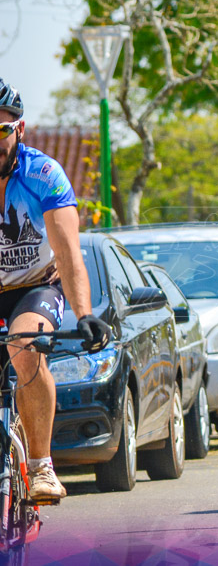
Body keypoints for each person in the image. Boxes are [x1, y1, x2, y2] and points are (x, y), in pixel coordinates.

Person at [0, 79, 111, 501]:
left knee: (25, 342)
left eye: (1, 131)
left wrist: (83, 315)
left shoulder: (42, 173)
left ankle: (41, 465)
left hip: (35, 286)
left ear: (19, 130)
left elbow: (68, 254)